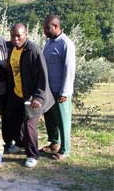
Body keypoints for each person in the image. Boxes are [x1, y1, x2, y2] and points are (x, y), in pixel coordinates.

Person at [6, 23, 54, 168]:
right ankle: (21, 143)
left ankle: (33, 155)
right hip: (17, 93)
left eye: (19, 35)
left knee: (29, 125)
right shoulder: (11, 48)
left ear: (26, 34)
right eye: (13, 35)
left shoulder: (33, 50)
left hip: (32, 95)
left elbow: (42, 75)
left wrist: (38, 97)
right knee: (12, 119)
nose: (15, 39)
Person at [42, 15, 76, 160]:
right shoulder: (49, 42)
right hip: (48, 91)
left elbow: (69, 69)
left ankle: (65, 149)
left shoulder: (66, 43)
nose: (44, 31)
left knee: (63, 120)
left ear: (55, 26)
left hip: (60, 90)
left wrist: (65, 91)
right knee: (50, 118)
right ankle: (54, 143)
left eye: (46, 28)